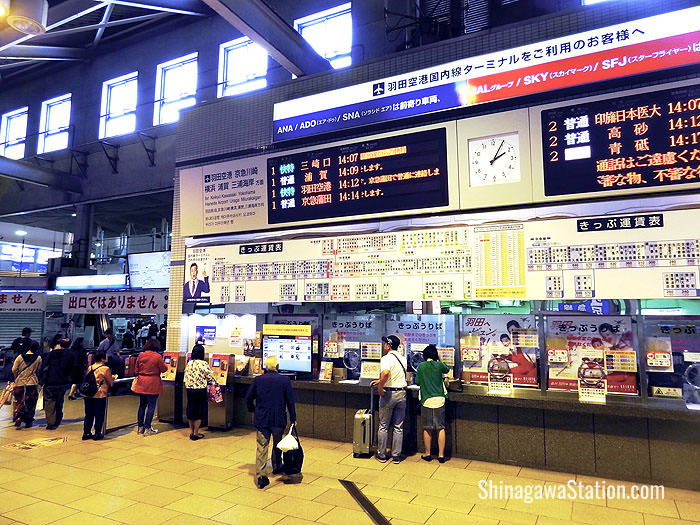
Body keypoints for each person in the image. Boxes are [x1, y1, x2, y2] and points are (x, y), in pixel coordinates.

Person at [245, 355, 297, 489]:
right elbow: (290, 401)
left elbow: (248, 398)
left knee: (262, 447)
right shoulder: (285, 380)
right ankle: (277, 466)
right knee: (278, 444)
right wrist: (293, 418)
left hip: (262, 419)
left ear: (266, 367)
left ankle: (261, 475)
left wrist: (253, 409)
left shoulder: (258, 380)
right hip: (278, 419)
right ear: (277, 366)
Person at [372, 335, 408, 464]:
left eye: (384, 344)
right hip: (402, 393)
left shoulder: (386, 358)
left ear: (388, 345)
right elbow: (395, 374)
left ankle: (382, 455)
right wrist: (381, 381)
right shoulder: (403, 358)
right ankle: (396, 456)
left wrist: (380, 387)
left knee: (383, 426)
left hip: (389, 395)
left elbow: (386, 373)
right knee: (398, 426)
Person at [415, 344, 450, 463]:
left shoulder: (421, 366)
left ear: (424, 355)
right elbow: (447, 369)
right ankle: (441, 455)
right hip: (440, 399)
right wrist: (439, 358)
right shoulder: (439, 365)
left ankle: (428, 454)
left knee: (427, 428)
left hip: (427, 400)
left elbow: (417, 382)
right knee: (440, 428)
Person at [41, 337, 76, 430]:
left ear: (59, 344)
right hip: (62, 382)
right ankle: (58, 419)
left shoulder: (51, 354)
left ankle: (50, 422)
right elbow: (72, 369)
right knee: (59, 400)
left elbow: (44, 367)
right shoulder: (71, 355)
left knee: (49, 401)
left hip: (50, 381)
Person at [132, 344, 167, 436]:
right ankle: (147, 428)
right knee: (151, 406)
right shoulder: (157, 356)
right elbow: (164, 369)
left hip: (141, 382)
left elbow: (136, 369)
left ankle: (140, 427)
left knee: (142, 405)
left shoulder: (141, 355)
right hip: (153, 382)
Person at [183, 344, 215, 441]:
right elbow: (210, 376)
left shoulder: (189, 363)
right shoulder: (203, 364)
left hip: (189, 389)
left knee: (191, 409)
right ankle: (196, 433)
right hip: (200, 389)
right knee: (199, 411)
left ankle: (191, 432)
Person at [82, 350, 114, 441]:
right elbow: (110, 383)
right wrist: (113, 378)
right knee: (99, 414)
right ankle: (97, 433)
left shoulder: (90, 367)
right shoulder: (105, 369)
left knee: (89, 414)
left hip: (88, 394)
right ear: (102, 358)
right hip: (100, 394)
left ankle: (86, 433)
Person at [11, 341, 42, 429]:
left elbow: (14, 369)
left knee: (19, 400)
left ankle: (19, 416)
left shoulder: (20, 357)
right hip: (32, 383)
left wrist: (17, 377)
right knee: (31, 402)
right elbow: (38, 370)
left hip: (19, 382)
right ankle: (28, 420)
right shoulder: (38, 358)